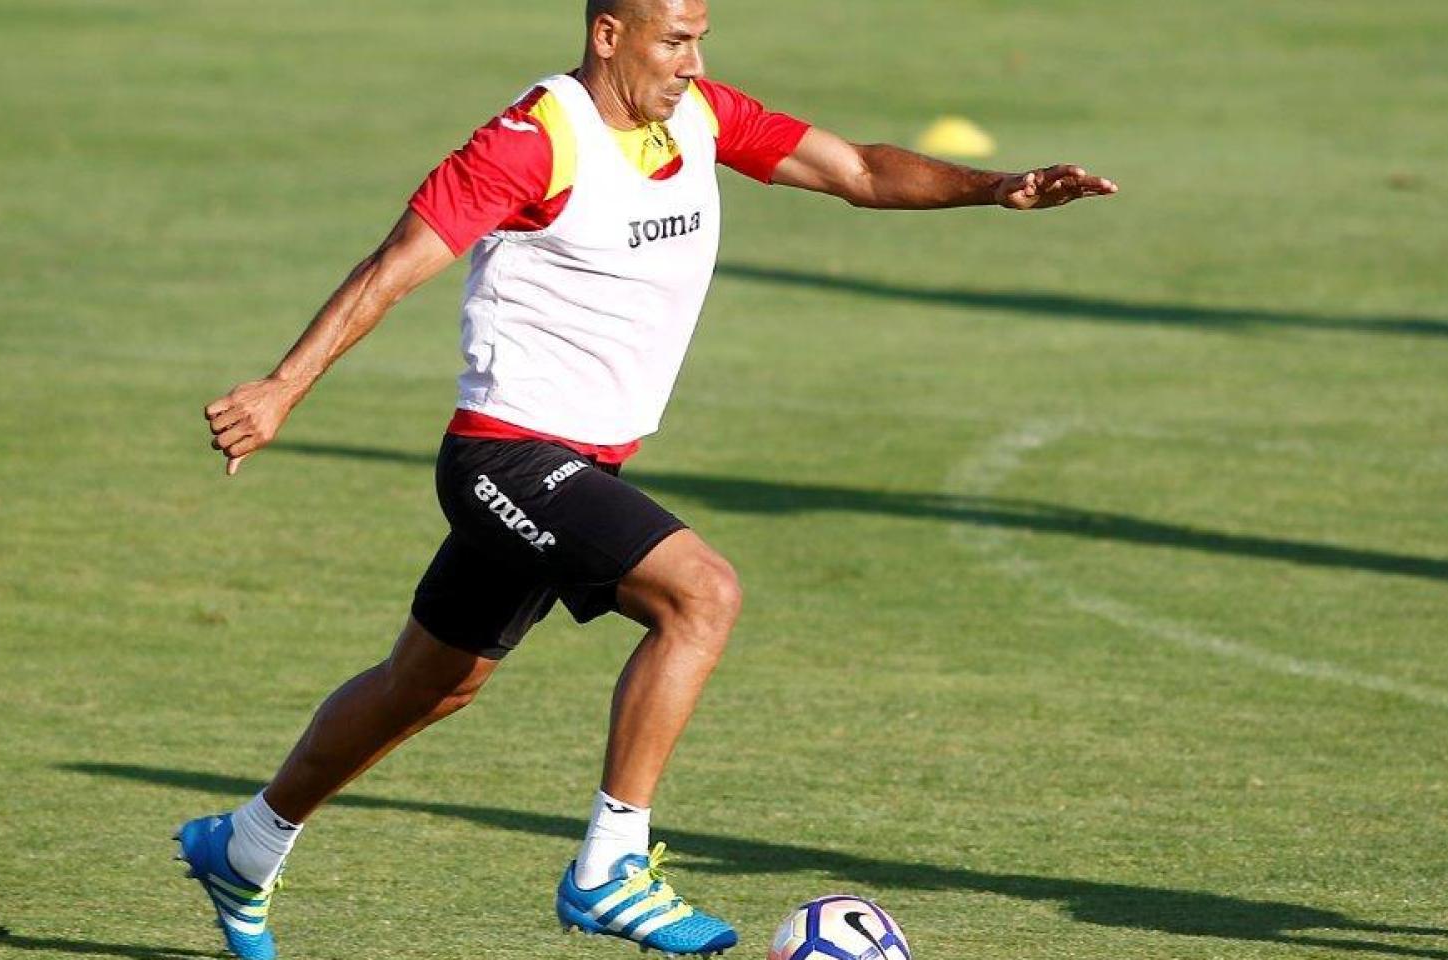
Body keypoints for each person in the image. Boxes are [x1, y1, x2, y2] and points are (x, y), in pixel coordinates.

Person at [181, 1, 1116, 957]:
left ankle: (245, 847)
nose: (693, 58)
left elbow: (860, 171)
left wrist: (1000, 187)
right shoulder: (532, 142)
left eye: (700, 36)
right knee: (702, 594)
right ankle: (608, 868)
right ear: (608, 36)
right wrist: (283, 387)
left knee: (429, 685)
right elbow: (391, 267)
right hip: (507, 457)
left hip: (582, 464)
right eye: (674, 39)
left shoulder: (699, 115)